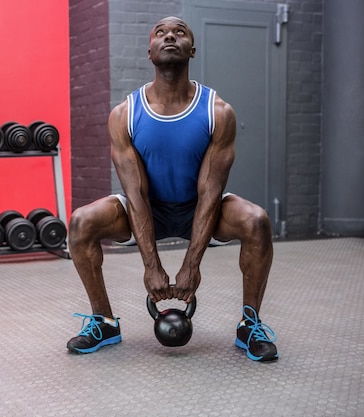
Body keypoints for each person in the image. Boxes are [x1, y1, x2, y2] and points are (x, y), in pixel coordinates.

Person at [66, 16, 278, 362]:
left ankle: (249, 324)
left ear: (191, 50)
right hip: (148, 208)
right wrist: (151, 265)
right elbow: (134, 194)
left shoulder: (218, 111)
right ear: (149, 51)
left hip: (199, 208)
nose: (170, 36)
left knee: (256, 221)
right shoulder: (124, 114)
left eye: (180, 33)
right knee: (81, 222)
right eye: (161, 33)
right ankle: (103, 321)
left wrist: (191, 265)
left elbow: (210, 193)